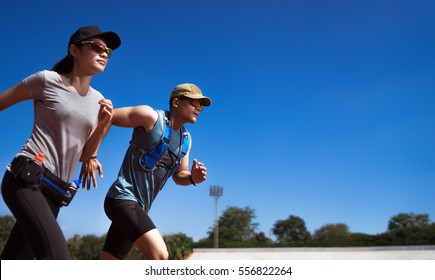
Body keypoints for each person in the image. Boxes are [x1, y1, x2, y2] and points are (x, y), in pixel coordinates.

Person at [0, 26, 121, 259]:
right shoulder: (46, 80)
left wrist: (105, 125)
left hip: (56, 192)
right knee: (58, 258)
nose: (104, 53)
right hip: (26, 178)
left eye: (107, 50)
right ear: (74, 50)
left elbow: (85, 155)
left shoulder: (99, 101)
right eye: (96, 47)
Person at [98, 83, 211, 260]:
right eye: (194, 103)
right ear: (176, 102)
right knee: (160, 255)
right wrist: (91, 155)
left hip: (140, 207)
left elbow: (179, 176)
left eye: (201, 106)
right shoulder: (150, 117)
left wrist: (192, 178)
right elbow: (109, 116)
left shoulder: (186, 140)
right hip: (121, 198)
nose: (199, 109)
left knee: (108, 263)